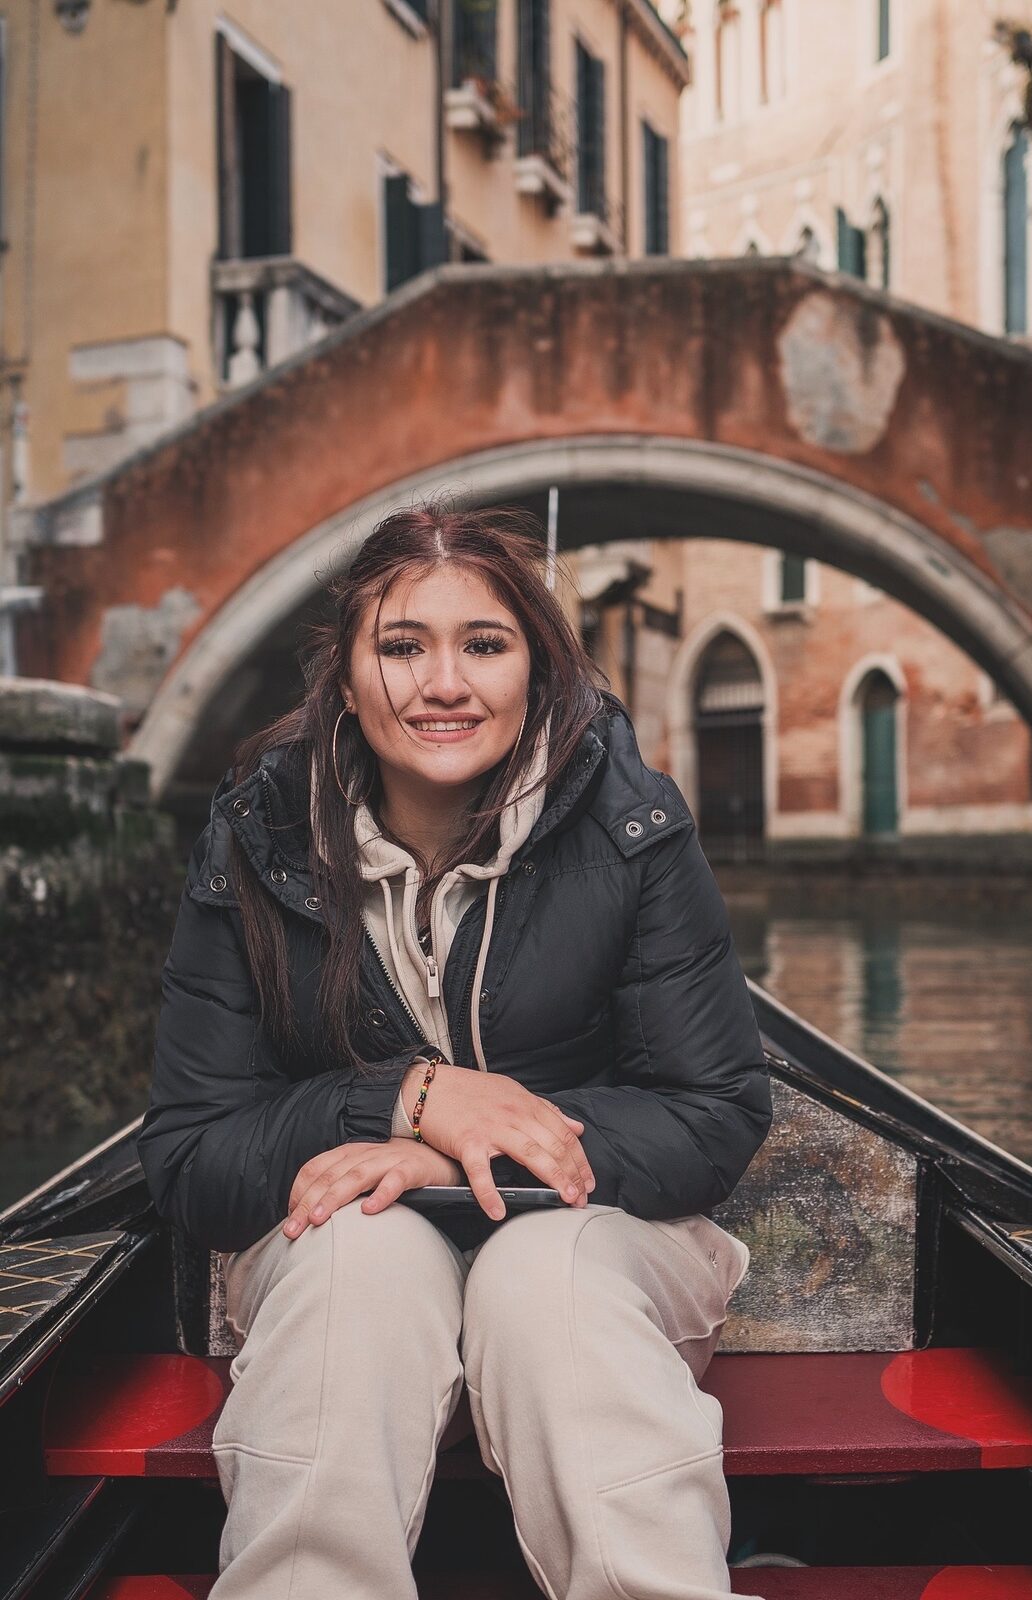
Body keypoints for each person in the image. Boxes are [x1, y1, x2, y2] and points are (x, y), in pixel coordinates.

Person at [138, 502, 774, 1600]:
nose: (445, 683)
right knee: (358, 1262)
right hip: (335, 1238)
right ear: (343, 677)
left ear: (537, 666)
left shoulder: (634, 824)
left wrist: (449, 1155)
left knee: (546, 1280)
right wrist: (405, 1096)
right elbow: (192, 1153)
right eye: (401, 646)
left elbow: (712, 1110)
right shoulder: (254, 837)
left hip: (600, 1233)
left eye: (484, 643)